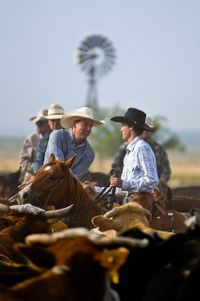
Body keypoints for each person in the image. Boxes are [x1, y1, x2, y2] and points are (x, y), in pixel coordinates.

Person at [108, 107, 159, 210]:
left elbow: (152, 179)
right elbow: (123, 189)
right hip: (130, 201)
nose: (121, 129)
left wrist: (123, 183)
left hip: (140, 203)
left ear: (131, 127)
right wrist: (94, 189)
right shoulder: (132, 150)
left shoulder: (141, 148)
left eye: (123, 125)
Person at [43, 106, 104, 181]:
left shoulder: (89, 153)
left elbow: (76, 177)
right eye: (85, 125)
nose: (88, 129)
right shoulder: (57, 136)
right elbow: (59, 165)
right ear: (74, 124)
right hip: (46, 181)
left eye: (90, 126)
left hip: (66, 186)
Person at [111, 116, 171, 187]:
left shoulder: (156, 148)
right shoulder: (126, 147)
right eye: (143, 129)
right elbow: (116, 166)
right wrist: (120, 181)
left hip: (151, 188)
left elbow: (165, 170)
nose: (145, 131)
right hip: (129, 187)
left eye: (147, 129)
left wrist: (162, 180)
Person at [18, 109, 50, 183]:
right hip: (32, 174)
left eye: (41, 123)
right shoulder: (31, 139)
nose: (38, 125)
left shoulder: (55, 138)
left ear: (49, 123)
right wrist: (36, 168)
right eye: (37, 123)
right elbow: (22, 161)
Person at [33, 103, 65, 172]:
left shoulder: (70, 137)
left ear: (63, 121)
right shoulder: (43, 140)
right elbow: (39, 161)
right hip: (47, 174)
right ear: (49, 122)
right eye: (52, 120)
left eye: (58, 120)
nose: (55, 123)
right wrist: (39, 173)